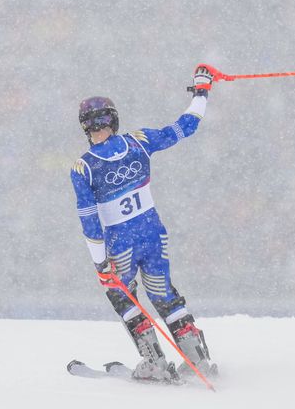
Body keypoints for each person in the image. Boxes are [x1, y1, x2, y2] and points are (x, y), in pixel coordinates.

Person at [70, 65, 217, 382]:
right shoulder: (138, 141)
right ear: (114, 118)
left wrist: (100, 264)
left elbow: (90, 223)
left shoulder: (83, 167)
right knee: (163, 294)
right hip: (153, 233)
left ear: (85, 127)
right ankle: (197, 357)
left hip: (120, 242)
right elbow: (185, 127)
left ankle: (154, 361)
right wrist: (201, 91)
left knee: (122, 295)